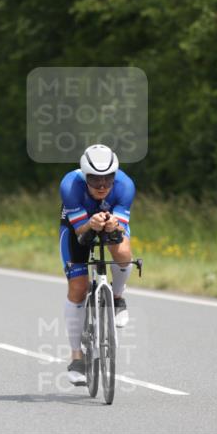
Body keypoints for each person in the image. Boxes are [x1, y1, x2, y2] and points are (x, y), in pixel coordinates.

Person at [59, 144, 136, 386]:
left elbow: (122, 227)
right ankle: (77, 358)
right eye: (94, 180)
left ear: (116, 175)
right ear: (84, 175)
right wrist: (90, 223)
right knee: (78, 288)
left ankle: (117, 297)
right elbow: (81, 230)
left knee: (123, 252)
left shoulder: (125, 186)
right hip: (77, 228)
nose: (102, 186)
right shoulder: (70, 185)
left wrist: (114, 225)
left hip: (111, 224)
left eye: (108, 179)